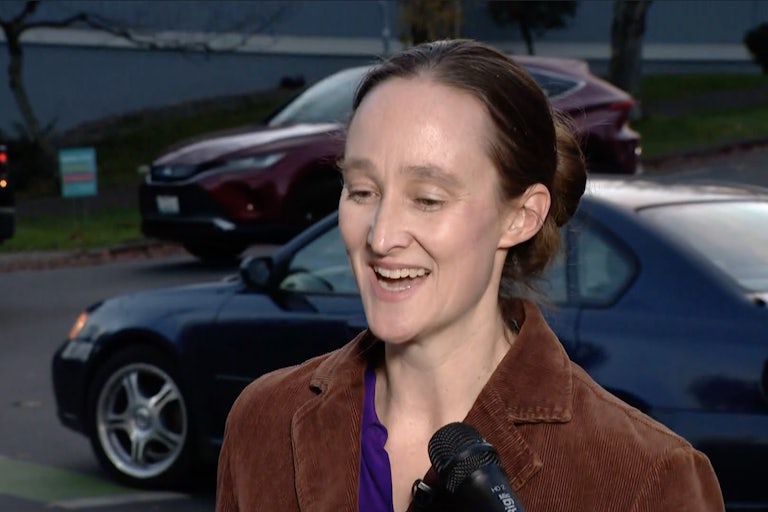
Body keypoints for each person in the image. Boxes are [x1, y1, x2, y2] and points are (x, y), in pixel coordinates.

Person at [216, 39, 724, 511]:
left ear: (521, 216)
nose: (380, 235)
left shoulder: (647, 478)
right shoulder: (264, 421)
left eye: (428, 199)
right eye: (362, 190)